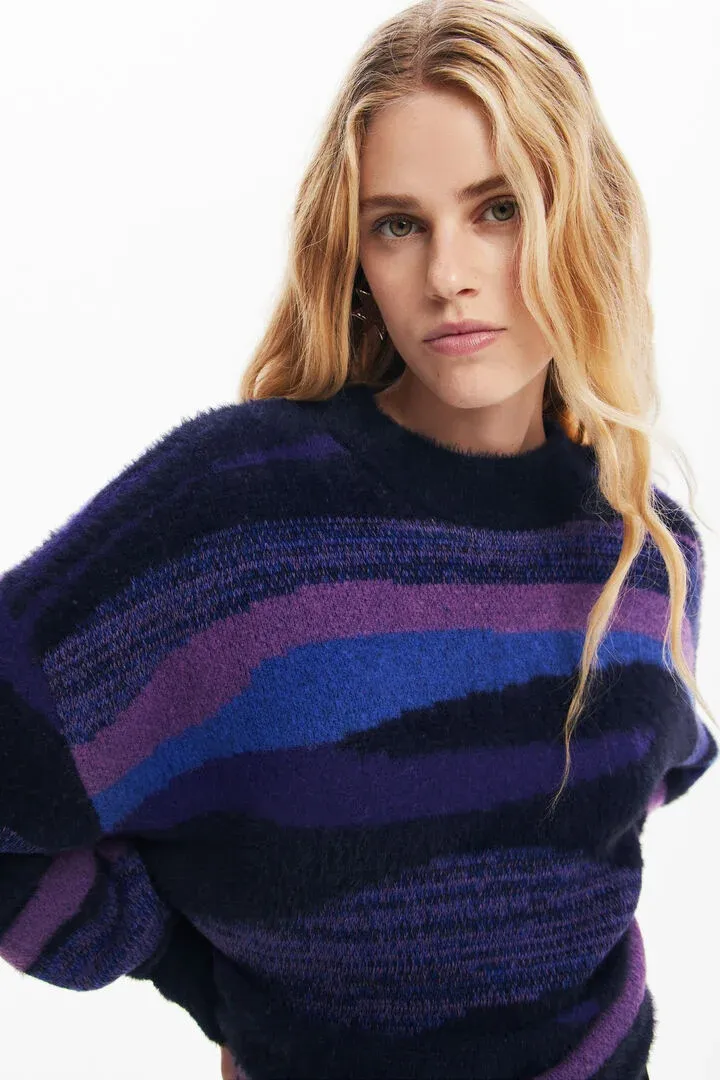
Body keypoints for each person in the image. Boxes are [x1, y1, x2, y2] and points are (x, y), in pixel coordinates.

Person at [0, 2, 715, 1078]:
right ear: (355, 256)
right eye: (398, 224)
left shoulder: (647, 550)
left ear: (585, 218)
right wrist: (196, 972)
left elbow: (630, 799)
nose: (449, 273)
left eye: (499, 209)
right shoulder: (238, 517)